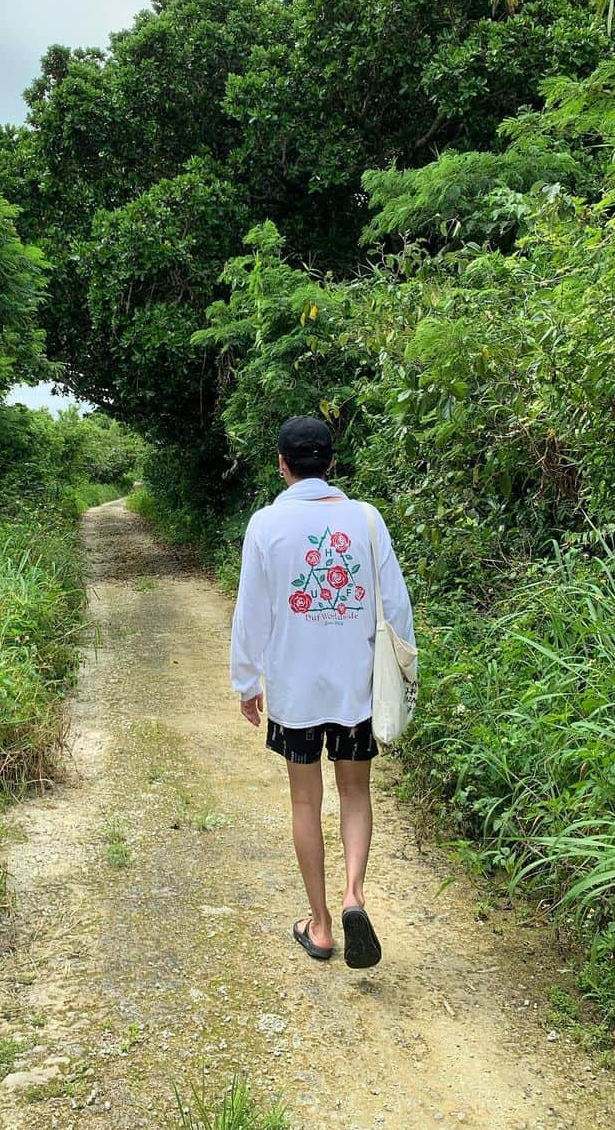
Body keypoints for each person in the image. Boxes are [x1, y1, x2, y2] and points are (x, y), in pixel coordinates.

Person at [229, 415, 415, 968]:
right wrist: (402, 673)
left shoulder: (265, 524)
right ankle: (355, 894)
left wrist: (246, 681)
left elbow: (250, 614)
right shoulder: (365, 518)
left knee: (305, 800)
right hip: (355, 685)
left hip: (294, 688)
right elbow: (396, 605)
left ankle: (322, 924)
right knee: (355, 792)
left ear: (282, 464)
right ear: (331, 463)